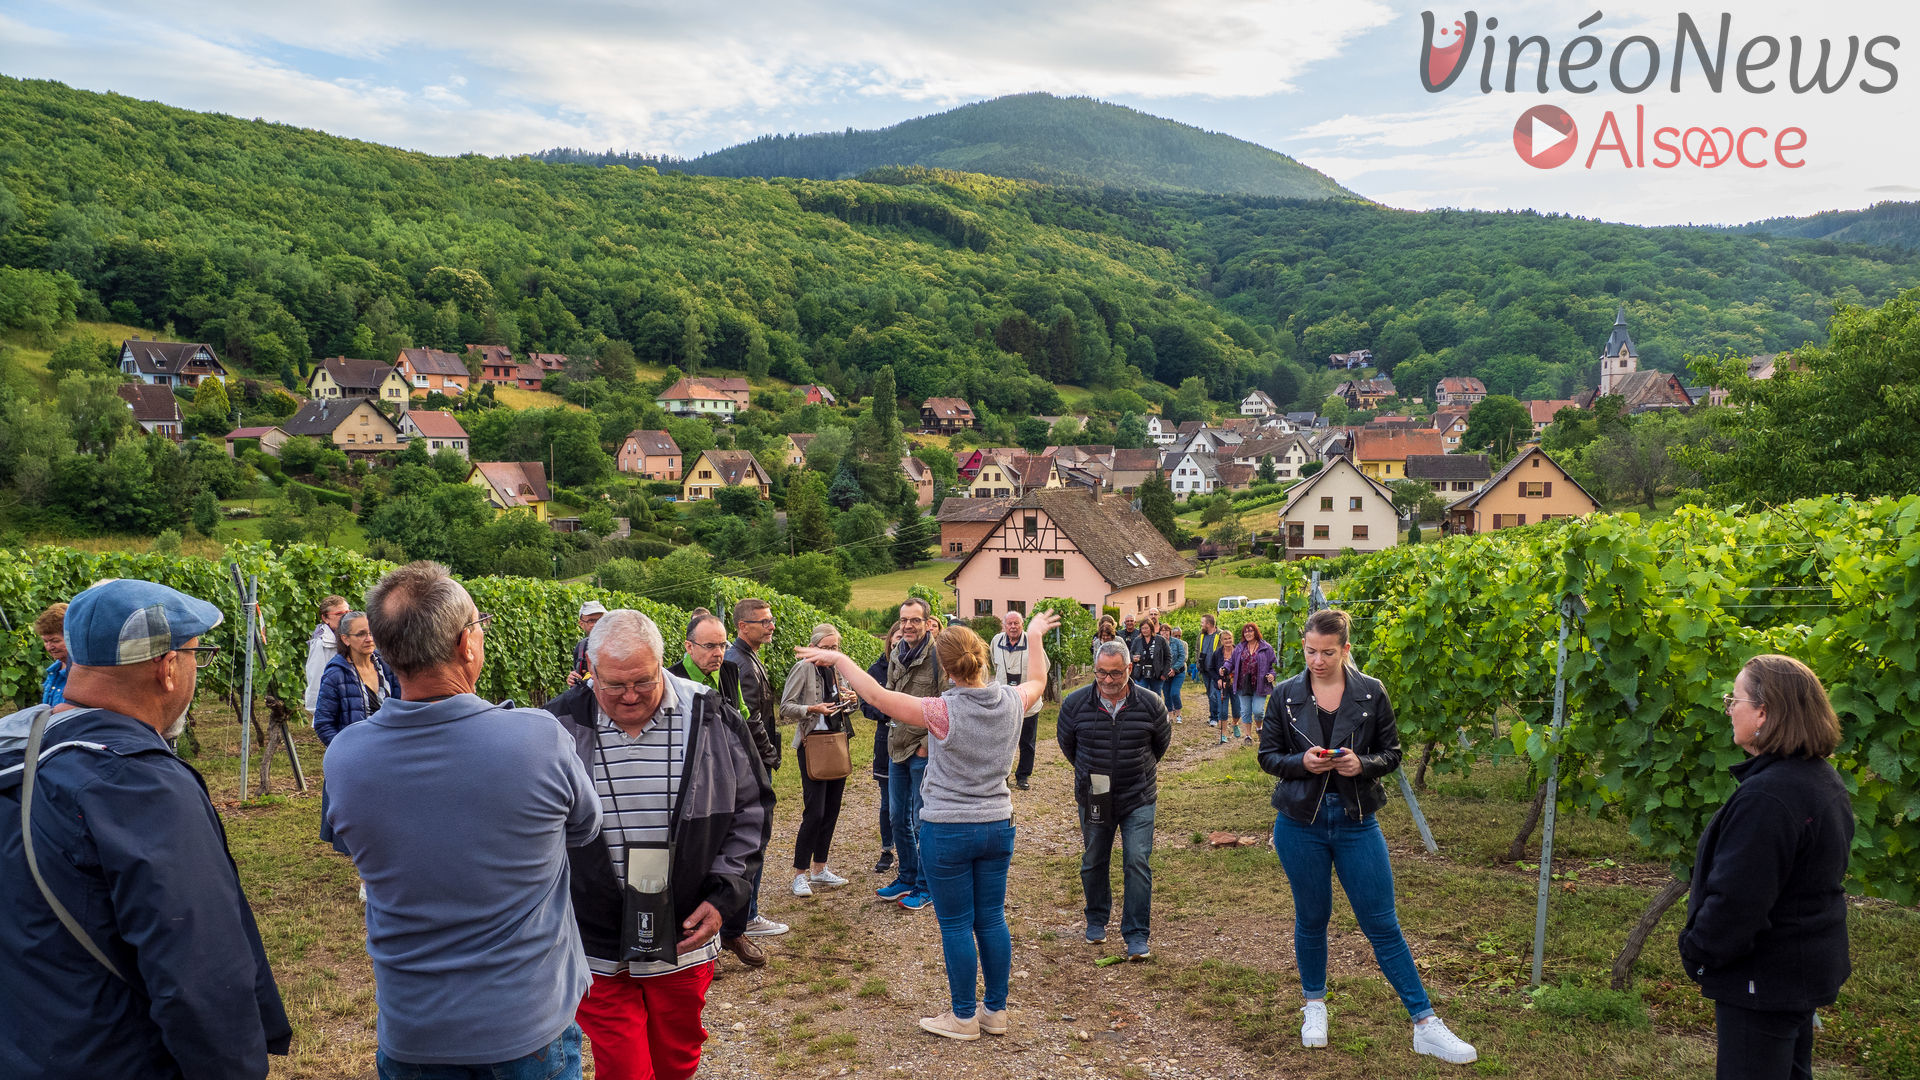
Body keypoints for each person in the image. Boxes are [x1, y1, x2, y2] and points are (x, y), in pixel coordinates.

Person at [0, 579, 292, 1080]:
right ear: (168, 667)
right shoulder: (139, 786)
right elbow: (200, 977)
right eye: (200, 653)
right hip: (118, 1058)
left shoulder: (17, 751)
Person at [325, 561, 603, 1080]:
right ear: (465, 644)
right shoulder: (538, 739)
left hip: (414, 1032)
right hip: (526, 1024)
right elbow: (586, 830)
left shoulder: (345, 757)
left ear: (383, 650)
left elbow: (352, 844)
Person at [799, 610, 1059, 1041]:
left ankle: (962, 1018)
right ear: (982, 657)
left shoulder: (941, 711)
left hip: (949, 829)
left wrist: (839, 660)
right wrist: (1034, 636)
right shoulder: (1013, 701)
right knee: (991, 920)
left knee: (956, 924)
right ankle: (995, 1011)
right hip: (998, 824)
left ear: (946, 666)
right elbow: (1037, 679)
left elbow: (879, 698)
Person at [542, 610, 775, 1080]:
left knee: (678, 1054)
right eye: (612, 685)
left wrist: (724, 895)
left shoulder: (711, 715)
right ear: (589, 667)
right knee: (623, 1066)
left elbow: (751, 810)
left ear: (663, 662)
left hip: (684, 928)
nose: (629, 697)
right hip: (592, 937)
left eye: (643, 682)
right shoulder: (554, 726)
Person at [1258, 609, 1477, 1065]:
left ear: (1346, 649)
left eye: (1328, 652)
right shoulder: (1285, 695)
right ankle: (1314, 1006)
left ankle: (1425, 1024)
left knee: (1382, 922)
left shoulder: (1371, 692)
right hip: (1300, 823)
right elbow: (1269, 756)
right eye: (1310, 651)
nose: (1317, 660)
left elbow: (1391, 752)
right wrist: (1303, 764)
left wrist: (1364, 765)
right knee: (1312, 917)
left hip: (1357, 822)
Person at [1681, 654, 1852, 1080]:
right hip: (1796, 972)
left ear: (1764, 712)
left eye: (1733, 700)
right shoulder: (1817, 778)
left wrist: (1698, 951)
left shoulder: (1769, 797)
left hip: (1764, 979)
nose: (1728, 710)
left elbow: (1739, 901)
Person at [668, 612, 774, 968]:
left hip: (731, 773)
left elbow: (742, 714)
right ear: (689, 646)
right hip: (694, 783)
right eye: (710, 646)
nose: (718, 652)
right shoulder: (671, 679)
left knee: (741, 853)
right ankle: (696, 948)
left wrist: (761, 757)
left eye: (722, 644)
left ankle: (734, 931)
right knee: (696, 862)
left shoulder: (727, 671)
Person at [1057, 639, 1172, 960]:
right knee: (1094, 859)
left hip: (1138, 796)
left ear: (1129, 669)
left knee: (1137, 862)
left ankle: (1136, 934)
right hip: (1095, 796)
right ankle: (1096, 918)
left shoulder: (1151, 705)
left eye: (1116, 674)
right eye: (1101, 673)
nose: (1108, 681)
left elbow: (1159, 746)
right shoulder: (1074, 704)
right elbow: (1069, 747)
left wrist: (1132, 771)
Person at [720, 598, 789, 948]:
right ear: (743, 627)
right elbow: (749, 719)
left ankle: (745, 914)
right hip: (752, 761)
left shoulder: (746, 657)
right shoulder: (741, 664)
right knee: (752, 838)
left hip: (751, 760)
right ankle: (747, 915)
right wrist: (768, 754)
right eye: (764, 621)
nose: (771, 625)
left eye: (772, 619)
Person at [312, 611, 399, 859]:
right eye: (361, 634)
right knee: (363, 822)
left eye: (371, 632)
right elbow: (323, 722)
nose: (369, 638)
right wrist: (346, 752)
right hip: (359, 760)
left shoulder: (386, 665)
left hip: (391, 755)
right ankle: (367, 877)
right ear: (346, 639)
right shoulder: (336, 673)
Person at [878, 597, 945, 911]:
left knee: (922, 821)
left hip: (921, 748)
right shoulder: (895, 653)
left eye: (914, 620)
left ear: (928, 623)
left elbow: (948, 706)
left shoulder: (939, 657)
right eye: (903, 620)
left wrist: (925, 747)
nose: (907, 626)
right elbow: (891, 695)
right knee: (896, 817)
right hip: (896, 746)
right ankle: (906, 877)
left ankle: (926, 886)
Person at [782, 624, 856, 896]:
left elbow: (850, 705)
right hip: (812, 744)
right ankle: (799, 874)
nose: (830, 652)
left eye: (834, 647)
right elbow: (785, 707)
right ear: (813, 647)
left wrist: (852, 700)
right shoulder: (803, 668)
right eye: (825, 648)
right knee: (814, 812)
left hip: (837, 742)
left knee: (832, 810)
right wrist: (813, 709)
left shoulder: (838, 669)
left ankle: (819, 869)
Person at [862, 622, 903, 874]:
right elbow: (866, 706)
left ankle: (914, 851)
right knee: (888, 803)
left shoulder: (921, 667)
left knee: (912, 804)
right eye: (896, 637)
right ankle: (887, 849)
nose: (899, 642)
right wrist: (890, 712)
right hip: (885, 740)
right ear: (890, 640)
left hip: (914, 741)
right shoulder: (877, 670)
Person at [990, 610, 1043, 791]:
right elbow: (993, 662)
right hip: (1003, 700)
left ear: (1022, 624)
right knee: (1001, 741)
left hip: (1028, 701)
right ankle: (1002, 776)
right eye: (1009, 624)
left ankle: (1023, 776)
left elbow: (1043, 665)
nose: (1013, 627)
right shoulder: (996, 641)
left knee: (1027, 741)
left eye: (1016, 623)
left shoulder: (1032, 641)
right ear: (1004, 625)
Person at [1225, 622, 1276, 744]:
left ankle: (1259, 727)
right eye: (1245, 631)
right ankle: (1248, 736)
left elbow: (1273, 665)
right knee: (1245, 711)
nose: (1247, 633)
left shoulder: (1266, 648)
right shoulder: (1239, 648)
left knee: (1258, 712)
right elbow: (1231, 662)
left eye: (1250, 631)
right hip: (1243, 684)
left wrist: (1272, 675)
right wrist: (1224, 668)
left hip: (1260, 685)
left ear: (1256, 632)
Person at [302, 594, 350, 715]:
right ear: (325, 618)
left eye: (348, 612)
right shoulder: (321, 644)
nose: (345, 617)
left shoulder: (354, 638)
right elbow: (316, 681)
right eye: (339, 614)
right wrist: (320, 715)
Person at [34, 602, 71, 705]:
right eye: (45, 641)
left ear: (71, 637)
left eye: (55, 641)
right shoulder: (55, 669)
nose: (50, 647)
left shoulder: (81, 672)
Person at [567, 600, 608, 687]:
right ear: (581, 624)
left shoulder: (619, 645)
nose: (597, 624)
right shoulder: (581, 647)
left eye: (601, 619)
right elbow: (578, 674)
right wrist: (573, 679)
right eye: (592, 621)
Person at [1197, 615, 1226, 727]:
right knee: (1210, 693)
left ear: (1208, 624)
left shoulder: (1220, 635)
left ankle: (1215, 717)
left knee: (1214, 693)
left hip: (1216, 670)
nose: (1201, 624)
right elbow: (1197, 649)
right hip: (1204, 669)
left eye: (1202, 622)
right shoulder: (1201, 635)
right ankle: (1215, 714)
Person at [1161, 623, 1188, 725]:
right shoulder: (1158, 643)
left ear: (1170, 632)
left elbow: (1182, 657)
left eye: (1166, 631)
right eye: (1162, 631)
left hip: (1178, 672)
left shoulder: (1177, 642)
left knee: (1174, 693)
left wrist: (1174, 669)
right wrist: (1165, 671)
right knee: (1167, 695)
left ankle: (1179, 715)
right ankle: (1170, 716)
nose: (1164, 633)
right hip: (1165, 673)